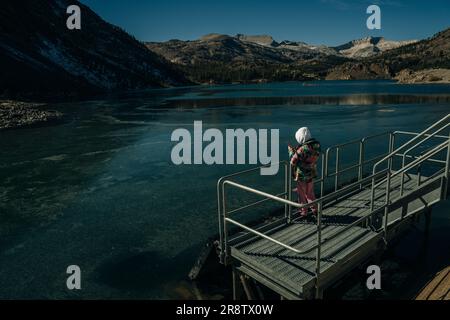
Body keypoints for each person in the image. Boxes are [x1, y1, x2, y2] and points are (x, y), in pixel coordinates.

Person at [288, 127, 321, 217]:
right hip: (311, 173)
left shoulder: (302, 149)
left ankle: (304, 212)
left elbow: (293, 161)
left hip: (302, 175)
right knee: (310, 193)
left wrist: (291, 152)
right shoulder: (316, 145)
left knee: (302, 194)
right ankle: (315, 210)